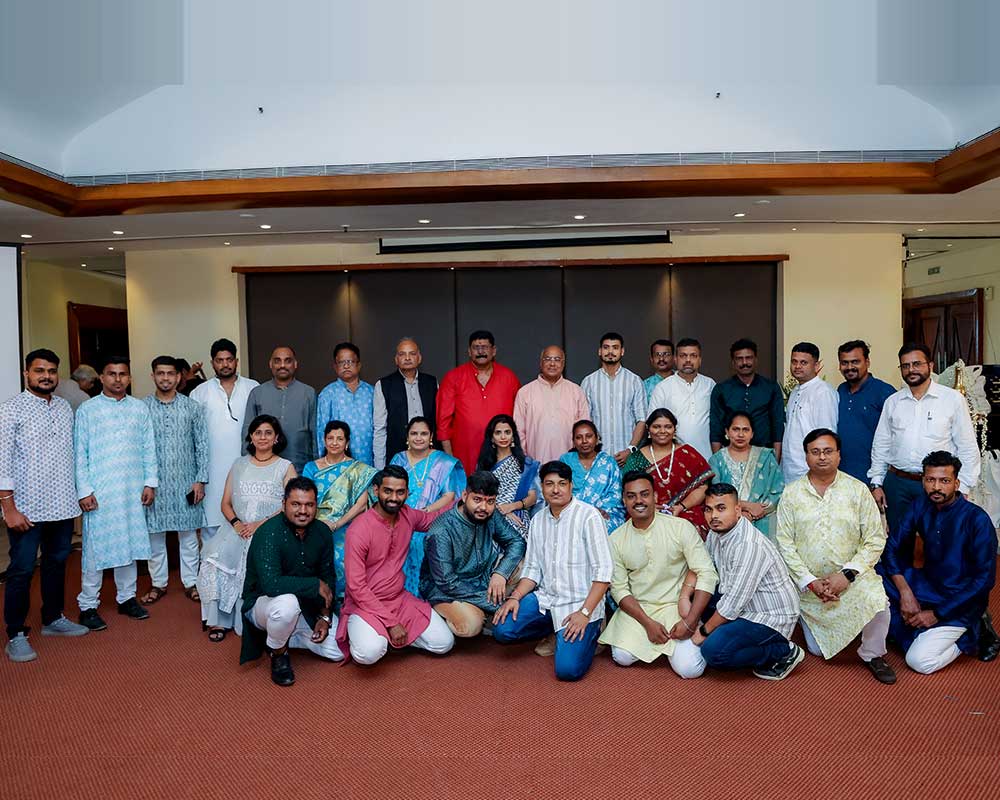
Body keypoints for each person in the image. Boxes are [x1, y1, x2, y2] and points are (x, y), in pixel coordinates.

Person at [776, 429, 896, 684]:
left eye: (828, 451)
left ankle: (872, 653)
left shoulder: (857, 490)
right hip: (810, 587)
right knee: (818, 651)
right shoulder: (791, 494)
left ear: (839, 455)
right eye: (815, 452)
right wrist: (810, 581)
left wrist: (847, 575)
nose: (822, 457)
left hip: (852, 579)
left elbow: (875, 539)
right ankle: (820, 623)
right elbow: (784, 543)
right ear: (806, 456)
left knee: (878, 601)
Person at [1, 350, 88, 662]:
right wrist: (9, 508)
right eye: (39, 370)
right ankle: (15, 633)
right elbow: (2, 462)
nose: (46, 376)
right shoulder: (11, 410)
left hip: (61, 504)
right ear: (27, 373)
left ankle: (53, 618)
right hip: (26, 508)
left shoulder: (64, 408)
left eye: (51, 371)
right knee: (22, 570)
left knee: (56, 564)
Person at [493, 461, 614, 682]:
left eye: (562, 483)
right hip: (547, 600)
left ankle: (593, 632)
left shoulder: (589, 516)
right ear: (542, 487)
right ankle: (556, 631)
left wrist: (584, 613)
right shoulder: (538, 520)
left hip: (581, 604)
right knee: (502, 629)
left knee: (567, 670)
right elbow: (532, 569)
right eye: (549, 484)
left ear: (571, 486)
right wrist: (515, 597)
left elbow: (604, 573)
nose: (556, 489)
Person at [881, 451, 998, 673]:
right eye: (930, 480)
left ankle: (972, 633)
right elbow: (892, 547)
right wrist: (905, 592)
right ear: (923, 480)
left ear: (956, 483)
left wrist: (937, 614)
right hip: (928, 586)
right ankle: (919, 628)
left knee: (919, 661)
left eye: (944, 481)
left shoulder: (977, 520)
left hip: (959, 597)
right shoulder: (920, 505)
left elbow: (984, 580)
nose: (936, 487)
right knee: (875, 574)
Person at [598, 471, 718, 677]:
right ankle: (659, 644)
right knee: (622, 656)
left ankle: (672, 643)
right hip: (640, 610)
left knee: (690, 670)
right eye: (631, 496)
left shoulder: (680, 527)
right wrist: (648, 624)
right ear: (624, 500)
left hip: (676, 607)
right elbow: (619, 589)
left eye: (644, 494)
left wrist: (690, 621)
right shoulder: (616, 539)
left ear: (655, 497)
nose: (638, 501)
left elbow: (706, 573)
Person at [335, 465, 455, 665]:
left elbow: (431, 519)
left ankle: (386, 637)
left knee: (443, 643)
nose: (394, 497)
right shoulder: (359, 529)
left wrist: (462, 503)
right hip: (365, 605)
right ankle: (375, 633)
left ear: (407, 493)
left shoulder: (408, 515)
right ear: (376, 491)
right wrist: (391, 623)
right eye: (388, 491)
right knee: (369, 653)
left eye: (400, 492)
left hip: (398, 600)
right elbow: (356, 587)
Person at [75, 357, 158, 630]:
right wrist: (84, 490)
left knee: (129, 545)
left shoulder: (139, 408)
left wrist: (150, 483)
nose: (118, 379)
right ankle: (88, 605)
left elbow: (149, 448)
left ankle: (126, 598)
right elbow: (80, 453)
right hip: (100, 492)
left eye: (123, 374)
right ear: (101, 377)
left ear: (130, 378)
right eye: (112, 374)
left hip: (132, 490)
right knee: (95, 549)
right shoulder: (88, 410)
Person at [197, 415, 295, 642]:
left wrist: (259, 525)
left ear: (276, 438)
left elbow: (290, 505)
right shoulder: (239, 464)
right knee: (213, 561)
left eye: (268, 433)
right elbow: (225, 503)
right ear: (251, 437)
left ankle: (250, 621)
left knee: (250, 564)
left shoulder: (285, 467)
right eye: (258, 432)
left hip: (268, 530)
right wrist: (237, 524)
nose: (263, 437)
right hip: (236, 529)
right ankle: (218, 621)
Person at [869, 342, 981, 537]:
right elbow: (881, 444)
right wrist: (877, 482)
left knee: (939, 540)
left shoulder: (952, 400)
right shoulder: (893, 402)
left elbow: (967, 447)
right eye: (905, 365)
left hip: (937, 484)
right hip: (898, 483)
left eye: (917, 364)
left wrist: (962, 486)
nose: (911, 370)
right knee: (899, 540)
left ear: (930, 366)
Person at [239, 477, 343, 686]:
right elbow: (271, 585)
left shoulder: (322, 532)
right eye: (296, 504)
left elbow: (327, 576)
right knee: (287, 605)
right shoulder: (268, 533)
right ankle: (278, 652)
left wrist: (324, 617)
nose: (303, 511)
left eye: (309, 505)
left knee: (338, 650)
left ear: (316, 506)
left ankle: (283, 634)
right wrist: (314, 585)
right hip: (264, 604)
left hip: (305, 606)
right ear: (284, 503)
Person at [695, 483, 803, 680]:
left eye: (721, 508)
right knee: (700, 595)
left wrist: (703, 631)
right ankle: (728, 633)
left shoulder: (748, 545)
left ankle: (782, 651)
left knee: (713, 652)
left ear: (737, 511)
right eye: (708, 510)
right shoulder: (716, 532)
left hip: (769, 616)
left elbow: (733, 604)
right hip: (742, 604)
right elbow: (706, 570)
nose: (714, 516)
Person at [420, 471, 526, 638]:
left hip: (482, 576)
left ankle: (485, 612)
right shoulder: (441, 530)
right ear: (464, 496)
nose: (483, 507)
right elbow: (447, 582)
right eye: (477, 499)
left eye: (490, 501)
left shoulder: (491, 515)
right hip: (445, 591)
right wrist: (495, 604)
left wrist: (500, 573)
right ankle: (451, 614)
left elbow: (517, 541)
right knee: (470, 626)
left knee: (523, 566)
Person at [142, 356, 209, 605]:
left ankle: (191, 582)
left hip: (186, 482)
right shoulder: (142, 408)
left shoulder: (192, 407)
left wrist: (200, 479)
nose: (165, 378)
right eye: (160, 373)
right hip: (154, 485)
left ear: (179, 376)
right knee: (154, 536)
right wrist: (144, 482)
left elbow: (202, 444)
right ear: (153, 376)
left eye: (170, 373)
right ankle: (158, 583)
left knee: (189, 537)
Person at [388, 416, 467, 595]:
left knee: (421, 542)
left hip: (430, 520)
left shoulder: (443, 462)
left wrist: (426, 511)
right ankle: (398, 595)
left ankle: (422, 597)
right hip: (399, 517)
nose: (418, 438)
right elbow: (388, 489)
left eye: (423, 434)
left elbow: (449, 496)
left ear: (431, 436)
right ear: (407, 437)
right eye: (414, 433)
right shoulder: (398, 459)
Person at [190, 338, 259, 539]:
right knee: (212, 526)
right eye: (219, 360)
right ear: (212, 363)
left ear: (236, 361)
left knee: (247, 523)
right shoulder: (199, 392)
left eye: (229, 359)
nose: (225, 364)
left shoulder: (253, 388)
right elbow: (193, 437)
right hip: (211, 470)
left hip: (247, 466)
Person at [302, 420, 376, 602]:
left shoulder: (358, 469)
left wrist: (336, 524)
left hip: (347, 526)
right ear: (324, 441)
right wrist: (319, 524)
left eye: (340, 439)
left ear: (347, 443)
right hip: (315, 526)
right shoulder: (311, 467)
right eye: (330, 438)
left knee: (346, 561)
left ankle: (344, 604)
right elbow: (304, 499)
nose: (334, 442)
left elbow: (361, 505)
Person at [437, 330, 521, 475]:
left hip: (502, 455)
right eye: (476, 347)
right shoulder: (453, 377)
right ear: (469, 351)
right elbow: (443, 422)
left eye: (485, 347)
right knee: (467, 488)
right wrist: (450, 461)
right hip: (464, 455)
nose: (480, 352)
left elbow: (520, 418)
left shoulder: (509, 377)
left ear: (494, 351)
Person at [622, 408, 714, 534]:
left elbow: (703, 487)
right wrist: (650, 508)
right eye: (656, 427)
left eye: (668, 427)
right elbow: (628, 491)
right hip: (645, 511)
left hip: (684, 511)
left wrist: (680, 507)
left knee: (689, 528)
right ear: (648, 429)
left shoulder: (688, 453)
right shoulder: (636, 458)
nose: (662, 431)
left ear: (674, 429)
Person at [708, 412, 783, 539]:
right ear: (727, 432)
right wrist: (744, 509)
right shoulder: (716, 460)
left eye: (746, 430)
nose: (741, 434)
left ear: (752, 433)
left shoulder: (766, 457)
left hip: (762, 519)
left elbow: (778, 491)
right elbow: (716, 497)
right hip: (728, 520)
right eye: (736, 429)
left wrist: (754, 514)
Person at [242, 346, 316, 474]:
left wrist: (317, 465)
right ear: (270, 364)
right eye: (277, 361)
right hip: (264, 468)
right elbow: (248, 430)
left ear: (295, 364)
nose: (282, 365)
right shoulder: (257, 393)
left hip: (300, 466)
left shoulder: (308, 393)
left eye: (287, 361)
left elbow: (315, 432)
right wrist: (246, 462)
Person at [710, 338, 785, 460]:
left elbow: (778, 425)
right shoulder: (721, 389)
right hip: (731, 455)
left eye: (749, 358)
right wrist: (718, 460)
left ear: (756, 360)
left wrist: (775, 460)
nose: (744, 362)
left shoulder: (771, 388)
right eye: (739, 359)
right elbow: (716, 427)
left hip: (764, 454)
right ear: (733, 362)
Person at [513, 345, 590, 464]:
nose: (552, 364)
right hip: (535, 464)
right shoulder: (525, 393)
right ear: (541, 363)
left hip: (570, 465)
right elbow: (519, 432)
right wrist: (527, 461)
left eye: (557, 359)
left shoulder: (576, 391)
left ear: (563, 363)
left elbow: (584, 429)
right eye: (548, 359)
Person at [581, 332, 646, 466]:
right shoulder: (588, 382)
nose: (610, 352)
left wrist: (630, 450)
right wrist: (592, 452)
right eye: (606, 347)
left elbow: (641, 420)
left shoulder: (634, 381)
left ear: (622, 351)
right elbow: (585, 421)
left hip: (628, 458)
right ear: (600, 351)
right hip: (597, 458)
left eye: (615, 347)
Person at [373, 337, 438, 469]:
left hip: (429, 454)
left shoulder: (432, 382)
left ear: (419, 358)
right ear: (396, 359)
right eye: (402, 354)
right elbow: (380, 429)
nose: (407, 358)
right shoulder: (384, 385)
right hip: (398, 455)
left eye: (412, 354)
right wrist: (380, 468)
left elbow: (438, 422)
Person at [836, 340, 895, 484]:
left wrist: (878, 480)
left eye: (855, 362)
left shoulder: (885, 392)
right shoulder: (840, 390)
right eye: (844, 363)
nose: (849, 367)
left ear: (867, 362)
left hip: (873, 477)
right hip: (842, 476)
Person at [648, 337, 716, 461]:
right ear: (675, 359)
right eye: (683, 356)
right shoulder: (663, 388)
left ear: (700, 360)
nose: (688, 360)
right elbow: (653, 425)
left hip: (706, 457)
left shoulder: (710, 385)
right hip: (672, 459)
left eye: (693, 356)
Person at [781, 342, 838, 483]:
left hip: (810, 470)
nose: (797, 366)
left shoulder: (823, 392)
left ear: (816, 366)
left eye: (803, 362)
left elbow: (827, 434)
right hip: (790, 469)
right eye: (794, 362)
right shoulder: (795, 391)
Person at [475, 414, 539, 537]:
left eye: (507, 432)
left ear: (513, 436)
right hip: (488, 514)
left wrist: (510, 507)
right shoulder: (484, 465)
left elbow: (533, 497)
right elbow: (478, 496)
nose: (503, 437)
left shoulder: (526, 465)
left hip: (517, 515)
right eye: (498, 433)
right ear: (492, 438)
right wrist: (500, 511)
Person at [559, 419, 626, 532]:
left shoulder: (608, 462)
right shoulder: (566, 460)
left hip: (604, 513)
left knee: (601, 526)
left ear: (597, 438)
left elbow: (615, 494)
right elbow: (560, 491)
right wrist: (584, 511)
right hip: (572, 513)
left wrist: (596, 512)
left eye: (589, 436)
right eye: (579, 437)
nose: (584, 441)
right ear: (573, 441)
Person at [317, 342, 375, 468]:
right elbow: (321, 431)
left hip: (368, 461)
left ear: (359, 365)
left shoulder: (372, 392)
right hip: (337, 463)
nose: (346, 366)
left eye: (350, 362)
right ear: (335, 366)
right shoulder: (327, 393)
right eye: (341, 362)